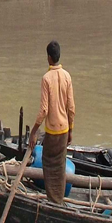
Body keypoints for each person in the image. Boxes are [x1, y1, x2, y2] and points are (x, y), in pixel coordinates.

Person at [38, 42, 74, 204]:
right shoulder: (67, 76)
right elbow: (71, 107)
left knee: (48, 164)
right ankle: (59, 199)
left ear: (49, 57)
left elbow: (43, 111)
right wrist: (71, 129)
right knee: (60, 165)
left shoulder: (46, 78)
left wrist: (34, 130)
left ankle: (53, 200)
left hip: (52, 132)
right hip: (64, 129)